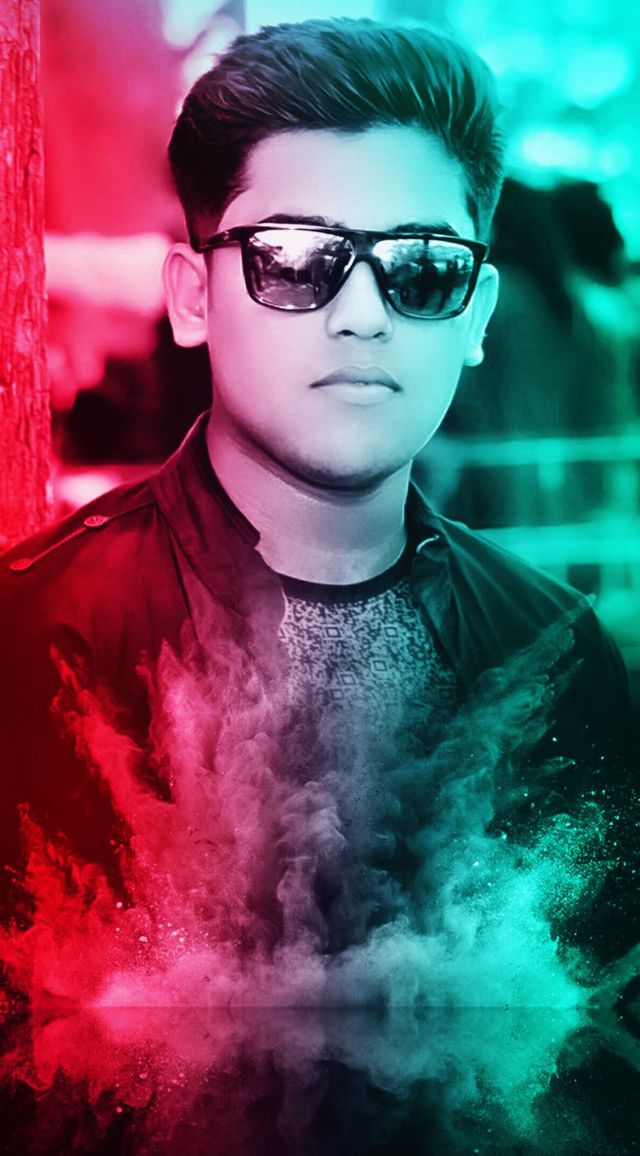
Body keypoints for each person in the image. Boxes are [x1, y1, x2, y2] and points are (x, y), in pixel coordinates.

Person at [0, 20, 635, 1004]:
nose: (363, 313)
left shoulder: (552, 654)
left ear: (473, 314)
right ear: (192, 297)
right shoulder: (36, 643)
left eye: (421, 266)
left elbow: (598, 1034)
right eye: (293, 259)